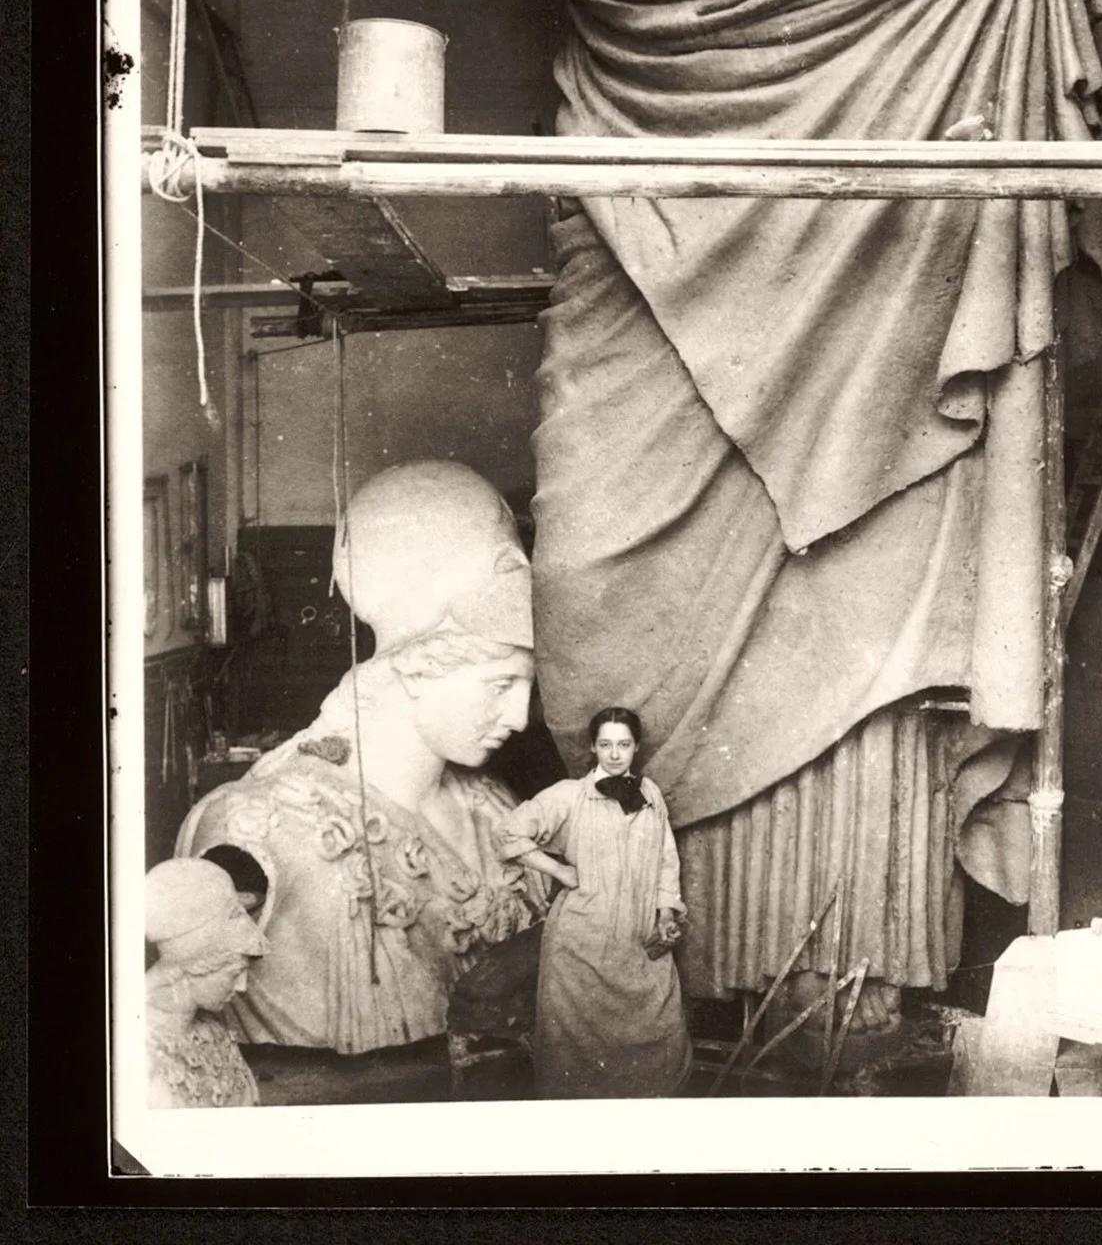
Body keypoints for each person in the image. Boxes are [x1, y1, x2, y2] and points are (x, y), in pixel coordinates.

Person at [176, 461, 548, 1056]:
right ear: (418, 667)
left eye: (528, 687)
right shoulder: (261, 828)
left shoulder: (492, 806)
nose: (520, 717)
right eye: (501, 684)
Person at [497, 707, 692, 1098]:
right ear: (592, 747)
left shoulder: (650, 794)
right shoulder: (570, 795)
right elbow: (509, 833)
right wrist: (559, 870)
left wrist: (666, 913)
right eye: (606, 745)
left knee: (658, 1034)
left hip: (638, 937)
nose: (615, 755)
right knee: (579, 1052)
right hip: (581, 941)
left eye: (623, 745)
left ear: (636, 746)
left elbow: (666, 861)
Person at [144, 856, 269, 1108]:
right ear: (198, 962)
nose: (241, 986)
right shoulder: (143, 1052)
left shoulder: (212, 1032)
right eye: (234, 973)